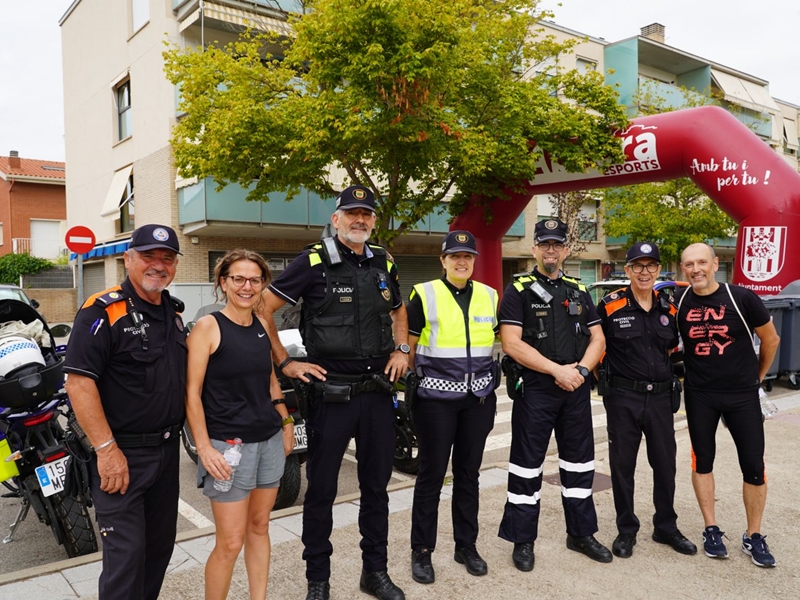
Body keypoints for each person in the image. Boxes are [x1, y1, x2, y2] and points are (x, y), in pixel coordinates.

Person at [258, 185, 409, 600]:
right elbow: (261, 307)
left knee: (376, 488)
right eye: (352, 213)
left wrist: (402, 348)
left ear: (373, 221)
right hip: (332, 396)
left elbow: (398, 309)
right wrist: (286, 363)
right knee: (322, 490)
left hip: (378, 394)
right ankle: (317, 581)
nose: (360, 220)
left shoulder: (383, 261)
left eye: (367, 214)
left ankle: (374, 572)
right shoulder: (312, 262)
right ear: (336, 218)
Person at [63, 224, 187, 600]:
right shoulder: (103, 310)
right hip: (122, 456)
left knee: (158, 550)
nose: (158, 265)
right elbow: (79, 383)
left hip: (166, 455)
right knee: (126, 557)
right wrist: (106, 450)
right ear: (128, 259)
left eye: (167, 258)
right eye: (149, 256)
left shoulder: (173, 314)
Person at [497, 217, 611, 571]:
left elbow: (598, 338)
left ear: (564, 250)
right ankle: (522, 540)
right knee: (527, 466)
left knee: (579, 464)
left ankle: (580, 534)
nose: (550, 250)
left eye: (557, 244)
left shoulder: (578, 290)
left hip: (574, 388)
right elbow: (511, 343)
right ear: (534, 249)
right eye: (544, 244)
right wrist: (556, 371)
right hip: (536, 388)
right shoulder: (518, 291)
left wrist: (578, 372)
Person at [185, 249, 294, 599]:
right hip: (228, 447)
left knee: (260, 527)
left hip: (268, 440)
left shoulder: (263, 324)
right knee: (230, 542)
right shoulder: (208, 327)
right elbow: (191, 394)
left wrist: (287, 420)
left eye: (255, 279)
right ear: (223, 282)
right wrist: (203, 448)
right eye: (238, 278)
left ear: (263, 284)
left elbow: (270, 380)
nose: (247, 286)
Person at [676, 243, 780, 567]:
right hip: (699, 395)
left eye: (702, 262)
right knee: (702, 461)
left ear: (715, 263)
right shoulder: (680, 303)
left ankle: (754, 535)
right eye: (690, 264)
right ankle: (711, 528)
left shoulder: (741, 297)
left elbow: (771, 339)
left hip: (742, 395)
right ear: (683, 268)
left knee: (753, 466)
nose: (696, 269)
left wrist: (756, 377)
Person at [406, 230, 499, 585]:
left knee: (468, 475)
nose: (462, 262)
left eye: (468, 256)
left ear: (474, 261)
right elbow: (409, 346)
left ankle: (466, 546)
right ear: (442, 260)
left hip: (477, 401)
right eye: (455, 256)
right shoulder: (425, 294)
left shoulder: (490, 296)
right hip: (436, 402)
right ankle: (422, 551)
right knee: (431, 476)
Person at [597, 242, 697, 559]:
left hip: (660, 399)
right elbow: (594, 346)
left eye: (650, 265)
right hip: (623, 398)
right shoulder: (610, 306)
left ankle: (665, 527)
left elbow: (679, 348)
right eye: (637, 266)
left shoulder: (669, 307)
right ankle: (627, 530)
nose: (644, 271)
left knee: (665, 466)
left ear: (658, 270)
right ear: (627, 270)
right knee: (623, 467)